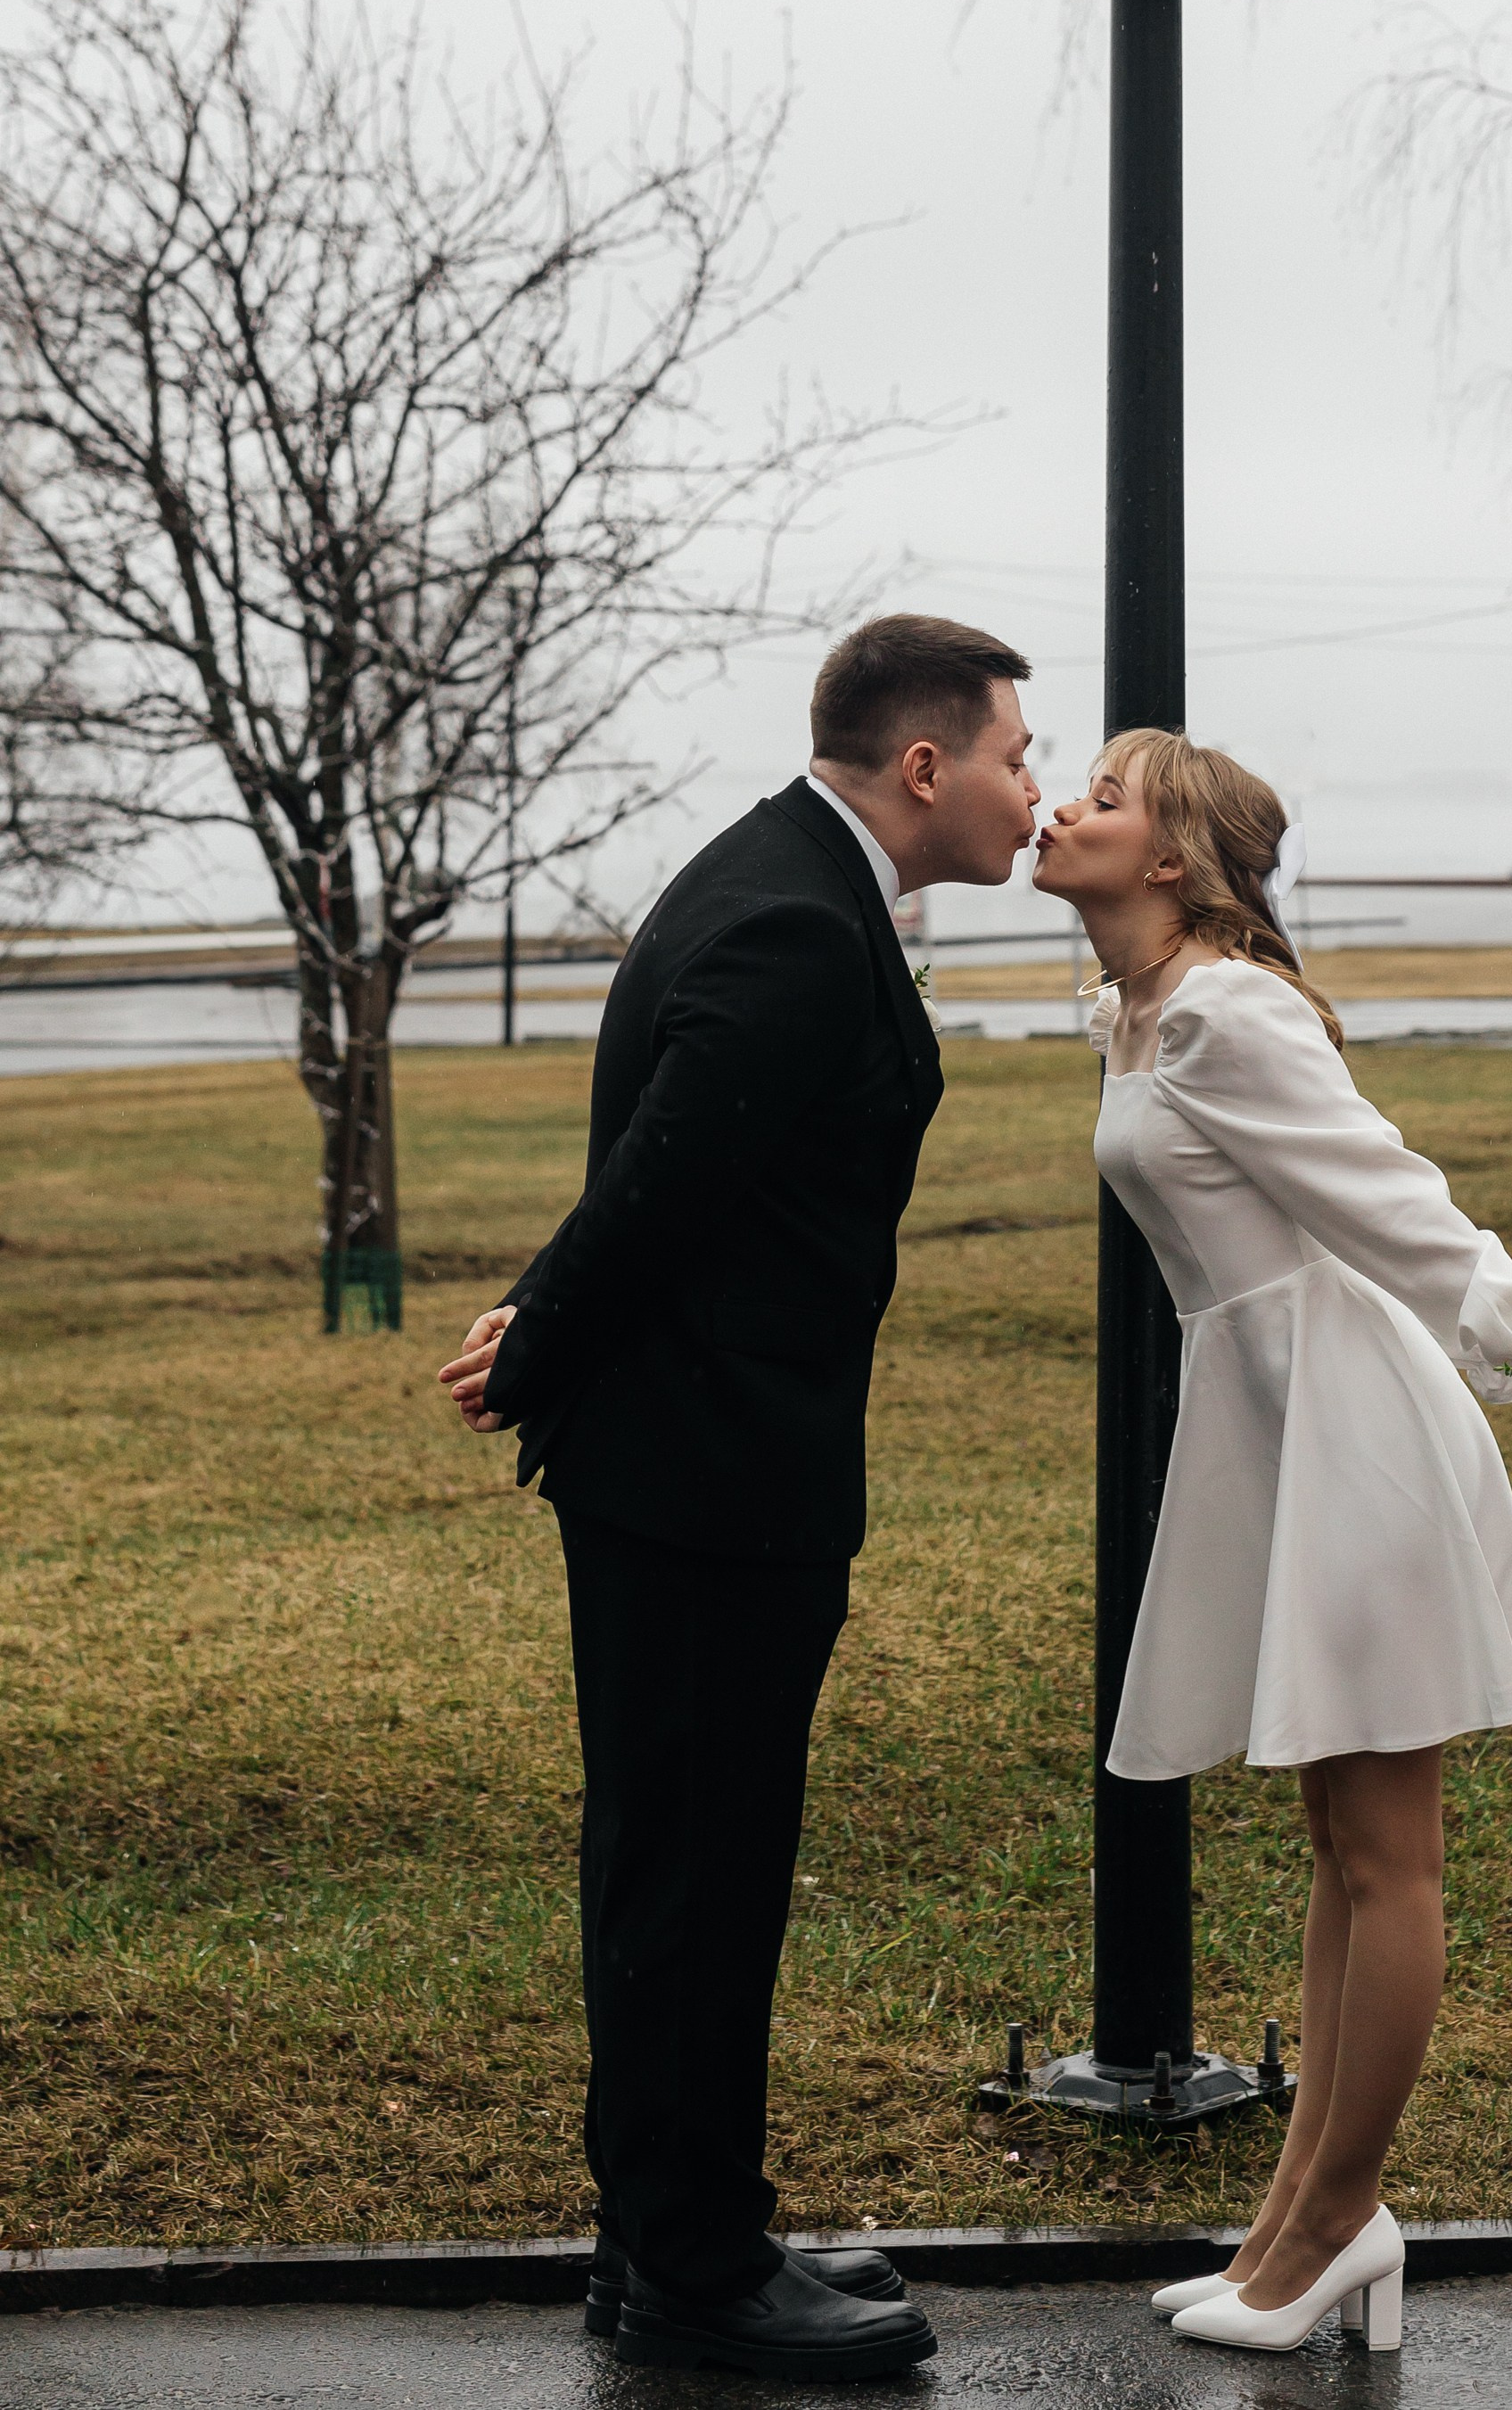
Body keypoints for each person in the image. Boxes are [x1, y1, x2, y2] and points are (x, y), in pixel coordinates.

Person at [439, 615, 1040, 2382]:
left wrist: (540, 1318)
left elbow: (689, 1158)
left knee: (682, 1864)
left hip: (698, 1466)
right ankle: (695, 2266)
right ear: (922, 766)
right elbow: (668, 1175)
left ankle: (663, 2236)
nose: (1031, 787)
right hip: (705, 1479)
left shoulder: (786, 875)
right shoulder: (796, 916)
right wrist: (537, 1338)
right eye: (1013, 754)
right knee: (697, 1877)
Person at [1031, 730, 1512, 2357]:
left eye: (1101, 799)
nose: (1057, 808)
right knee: (1336, 1841)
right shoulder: (1134, 1010)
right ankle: (1298, 2221)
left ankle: (1333, 2222)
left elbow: (1394, 1205)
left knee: (1385, 1851)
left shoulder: (1227, 1011)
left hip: (1358, 1436)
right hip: (1273, 1427)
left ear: (1168, 863)